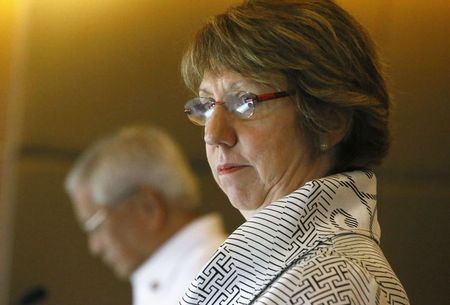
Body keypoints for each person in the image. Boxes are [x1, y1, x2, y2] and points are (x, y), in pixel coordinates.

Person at [180, 0, 410, 304]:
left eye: (245, 101)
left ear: (328, 119)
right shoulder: (291, 267)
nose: (213, 135)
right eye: (207, 105)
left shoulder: (336, 282)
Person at [64, 125, 227, 305]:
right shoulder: (208, 274)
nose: (95, 247)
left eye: (95, 226)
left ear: (148, 207)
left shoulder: (209, 288)